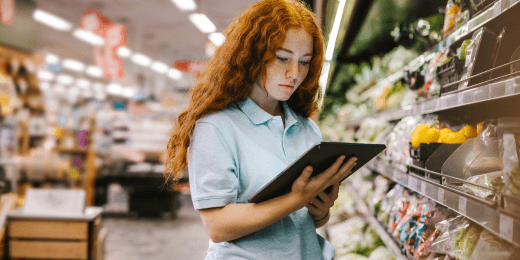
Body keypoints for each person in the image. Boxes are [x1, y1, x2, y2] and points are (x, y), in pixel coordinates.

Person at [165, 0, 357, 259]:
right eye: (282, 58)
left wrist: (320, 208)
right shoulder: (216, 127)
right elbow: (218, 227)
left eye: (304, 62)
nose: (294, 73)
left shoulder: (307, 130)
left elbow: (306, 222)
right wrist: (295, 199)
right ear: (252, 55)